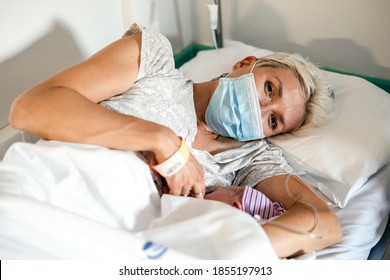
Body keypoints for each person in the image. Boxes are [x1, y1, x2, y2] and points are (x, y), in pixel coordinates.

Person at [9, 23, 341, 258]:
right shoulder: (154, 63)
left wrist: (223, 253)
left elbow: (323, 223)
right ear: (245, 64)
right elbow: (30, 109)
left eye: (273, 121)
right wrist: (164, 142)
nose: (261, 108)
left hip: (120, 244)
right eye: (270, 88)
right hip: (48, 190)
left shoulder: (249, 161)